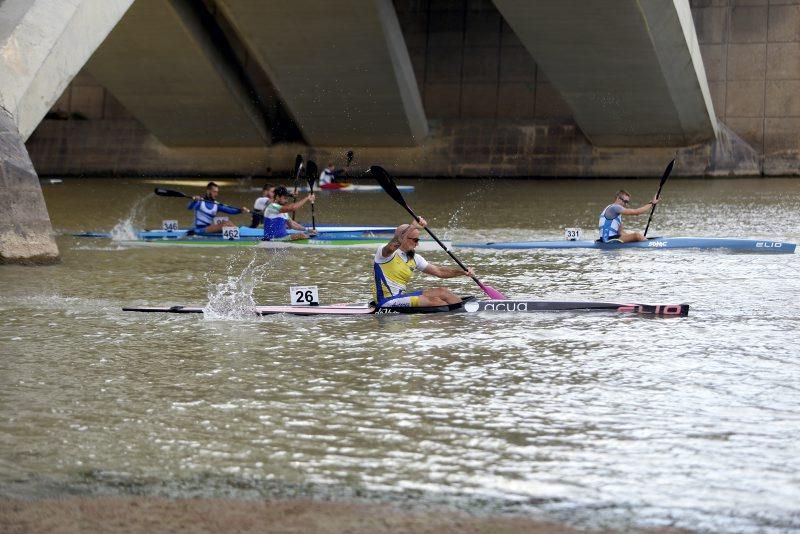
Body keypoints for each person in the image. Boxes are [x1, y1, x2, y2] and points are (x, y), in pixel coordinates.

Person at [372, 218, 473, 308]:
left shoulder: (415, 258)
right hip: (386, 302)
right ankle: (451, 317)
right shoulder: (384, 253)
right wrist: (412, 226)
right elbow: (391, 247)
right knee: (434, 302)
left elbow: (440, 271)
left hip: (401, 298)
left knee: (443, 292)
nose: (417, 244)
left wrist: (463, 272)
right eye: (415, 240)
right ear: (404, 238)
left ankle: (462, 312)